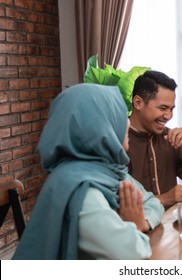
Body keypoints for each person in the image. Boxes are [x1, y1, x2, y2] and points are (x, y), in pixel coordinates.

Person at [12, 84, 164, 260]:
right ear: (97, 127)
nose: (127, 122)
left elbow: (153, 202)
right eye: (115, 115)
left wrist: (143, 222)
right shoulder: (82, 191)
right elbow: (132, 253)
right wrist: (134, 226)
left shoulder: (105, 172)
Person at [127, 70, 182, 208]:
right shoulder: (117, 140)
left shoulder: (168, 137)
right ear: (138, 103)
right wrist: (165, 199)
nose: (168, 116)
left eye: (171, 109)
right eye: (163, 108)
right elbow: (116, 203)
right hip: (135, 227)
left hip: (170, 225)